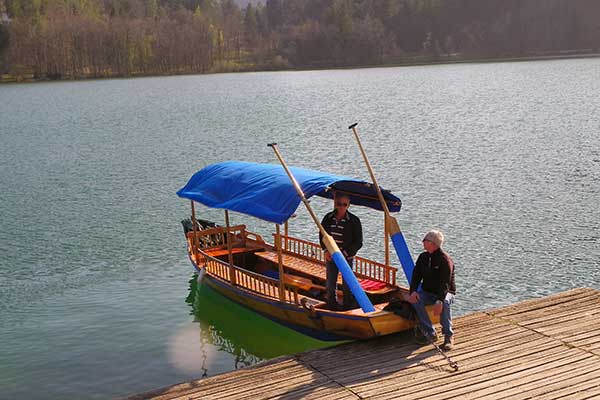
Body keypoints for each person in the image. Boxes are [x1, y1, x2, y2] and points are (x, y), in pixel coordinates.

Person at [407, 229, 456, 351]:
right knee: (416, 300)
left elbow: (445, 283)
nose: (423, 242)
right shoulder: (423, 257)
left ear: (433, 243)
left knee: (444, 303)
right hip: (427, 292)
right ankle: (430, 332)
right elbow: (416, 275)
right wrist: (413, 291)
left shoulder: (445, 260)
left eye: (425, 240)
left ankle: (448, 336)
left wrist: (439, 300)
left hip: (446, 292)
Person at [319, 193, 363, 310]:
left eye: (344, 204)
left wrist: (345, 253)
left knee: (347, 284)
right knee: (330, 283)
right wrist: (325, 250)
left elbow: (358, 242)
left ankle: (347, 306)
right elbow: (322, 235)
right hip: (331, 256)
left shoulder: (354, 220)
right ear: (335, 204)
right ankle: (331, 305)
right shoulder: (328, 218)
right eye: (339, 204)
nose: (342, 207)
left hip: (346, 257)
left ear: (348, 205)